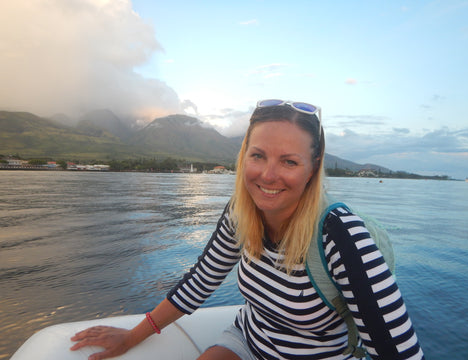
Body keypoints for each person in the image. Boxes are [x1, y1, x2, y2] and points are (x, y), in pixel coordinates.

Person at [71, 99, 424, 359]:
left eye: (288, 161)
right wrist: (133, 337)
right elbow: (200, 281)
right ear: (243, 157)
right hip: (246, 342)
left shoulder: (341, 235)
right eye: (258, 156)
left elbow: (399, 353)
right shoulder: (242, 212)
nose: (268, 176)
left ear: (313, 168)